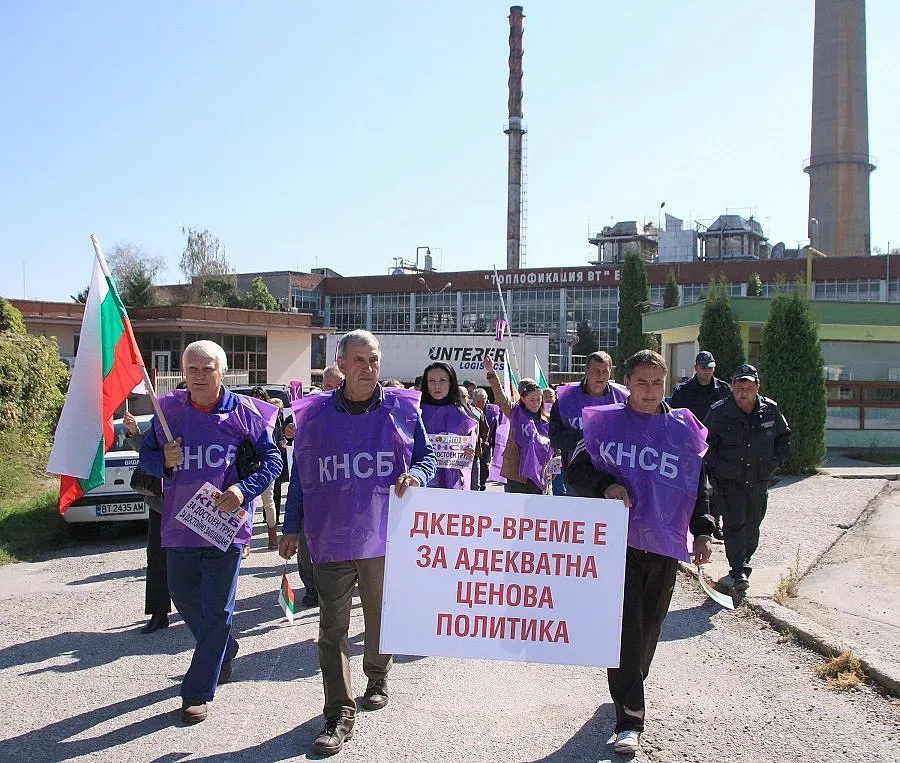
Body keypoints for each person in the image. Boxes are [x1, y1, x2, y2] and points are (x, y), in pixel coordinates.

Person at [279, 330, 437, 756]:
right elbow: (303, 475)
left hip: (382, 535)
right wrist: (291, 525)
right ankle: (338, 712)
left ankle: (378, 674)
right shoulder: (314, 416)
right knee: (332, 628)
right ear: (342, 365)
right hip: (330, 536)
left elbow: (427, 456)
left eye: (374, 360)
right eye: (359, 361)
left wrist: (416, 475)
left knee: (379, 614)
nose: (368, 368)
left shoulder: (403, 410)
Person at [566, 349, 715, 756]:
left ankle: (631, 682)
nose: (649, 392)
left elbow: (697, 487)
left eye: (657, 383)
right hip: (618, 543)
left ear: (666, 383)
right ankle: (629, 719)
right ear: (627, 383)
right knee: (626, 629)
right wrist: (606, 487)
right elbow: (575, 470)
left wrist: (702, 532)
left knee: (650, 625)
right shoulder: (606, 423)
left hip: (664, 545)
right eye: (641, 383)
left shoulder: (683, 430)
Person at [139, 340, 283, 724]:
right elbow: (146, 457)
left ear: (222, 372)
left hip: (226, 529)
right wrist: (162, 460)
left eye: (207, 369)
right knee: (186, 600)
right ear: (183, 373)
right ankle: (225, 646)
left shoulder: (246, 413)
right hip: (179, 527)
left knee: (217, 610)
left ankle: (197, 692)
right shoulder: (168, 410)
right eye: (192, 370)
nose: (199, 376)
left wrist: (242, 490)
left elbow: (273, 460)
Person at [704, 363, 791, 596]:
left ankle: (745, 558)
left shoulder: (770, 410)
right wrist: (719, 467)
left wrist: (773, 465)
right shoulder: (720, 412)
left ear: (757, 387)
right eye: (739, 386)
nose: (744, 391)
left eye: (749, 386)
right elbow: (704, 444)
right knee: (734, 523)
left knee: (753, 523)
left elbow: (784, 438)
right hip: (729, 480)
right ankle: (738, 568)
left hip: (759, 479)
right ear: (732, 386)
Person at [123, 409, 171, 634]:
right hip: (161, 505)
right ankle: (158, 612)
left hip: (193, 505)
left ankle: (201, 612)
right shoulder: (162, 423)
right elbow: (147, 450)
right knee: (156, 559)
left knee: (195, 561)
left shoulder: (203, 424)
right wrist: (134, 431)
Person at [483, 354, 552, 495]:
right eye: (532, 400)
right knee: (514, 510)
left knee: (535, 512)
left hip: (539, 472)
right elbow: (500, 396)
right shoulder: (514, 411)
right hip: (516, 472)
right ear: (523, 399)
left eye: (539, 399)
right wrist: (491, 372)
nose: (536, 403)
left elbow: (553, 444)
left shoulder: (547, 419)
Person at [549, 351, 629, 469]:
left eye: (605, 371)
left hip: (613, 470)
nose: (601, 376)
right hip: (578, 472)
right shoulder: (565, 398)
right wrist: (589, 436)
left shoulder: (624, 398)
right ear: (586, 371)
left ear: (610, 373)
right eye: (596, 371)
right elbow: (555, 438)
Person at [418, 362, 477, 490]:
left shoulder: (462, 412)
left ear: (451, 383)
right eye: (431, 380)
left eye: (442, 380)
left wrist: (470, 451)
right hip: (422, 479)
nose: (437, 385)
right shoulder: (416, 411)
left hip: (452, 480)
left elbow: (470, 440)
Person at [247, 386, 283, 553]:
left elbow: (279, 438)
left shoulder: (271, 417)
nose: (256, 400)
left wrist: (282, 444)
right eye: (253, 397)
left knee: (268, 501)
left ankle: (272, 534)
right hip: (248, 464)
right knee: (248, 502)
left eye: (259, 397)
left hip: (266, 464)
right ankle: (245, 539)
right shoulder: (245, 416)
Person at [670, 351, 731, 423]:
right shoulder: (682, 391)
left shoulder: (724, 389)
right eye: (703, 368)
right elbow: (674, 418)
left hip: (716, 433)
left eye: (710, 367)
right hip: (692, 433)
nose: (707, 371)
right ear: (696, 367)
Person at [471, 387, 491, 491]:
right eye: (478, 402)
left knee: (477, 484)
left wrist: (483, 446)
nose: (481, 404)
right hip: (468, 453)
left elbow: (486, 431)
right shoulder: (469, 411)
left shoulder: (488, 412)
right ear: (473, 400)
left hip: (480, 452)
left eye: (483, 402)